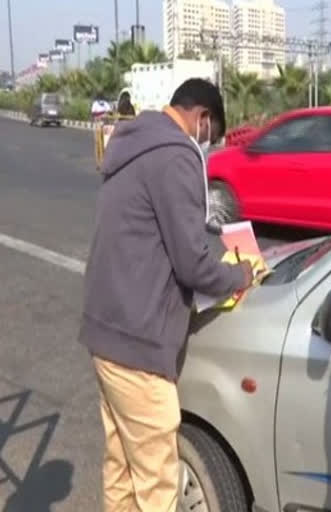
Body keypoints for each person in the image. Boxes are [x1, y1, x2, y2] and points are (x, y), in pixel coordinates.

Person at [79, 78, 254, 512]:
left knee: (121, 470)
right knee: (158, 485)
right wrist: (238, 275)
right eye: (210, 138)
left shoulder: (134, 145)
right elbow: (192, 262)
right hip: (139, 348)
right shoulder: (176, 156)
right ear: (202, 119)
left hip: (105, 336)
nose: (207, 147)